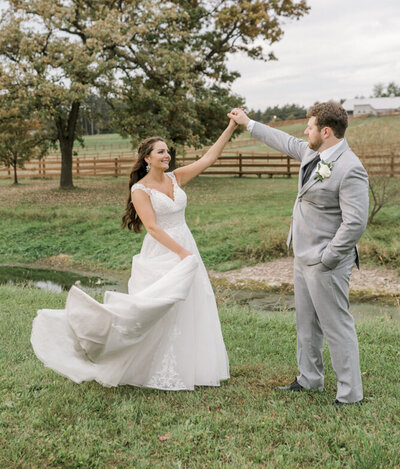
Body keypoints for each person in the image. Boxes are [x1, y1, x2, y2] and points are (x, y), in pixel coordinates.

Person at [31, 119, 237, 390]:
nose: (167, 156)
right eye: (161, 152)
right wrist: (182, 253)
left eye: (168, 151)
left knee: (191, 303)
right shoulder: (139, 189)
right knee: (156, 308)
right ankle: (141, 364)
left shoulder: (176, 178)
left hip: (185, 243)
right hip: (163, 250)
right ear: (147, 159)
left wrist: (232, 125)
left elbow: (210, 157)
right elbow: (152, 227)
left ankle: (191, 366)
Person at [228, 102, 369, 405]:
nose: (305, 131)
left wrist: (328, 257)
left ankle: (350, 394)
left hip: (326, 261)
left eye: (310, 126)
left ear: (326, 131)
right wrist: (248, 122)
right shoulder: (311, 152)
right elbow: (284, 141)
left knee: (336, 326)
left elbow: (355, 222)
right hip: (302, 255)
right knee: (306, 323)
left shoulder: (350, 167)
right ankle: (309, 379)